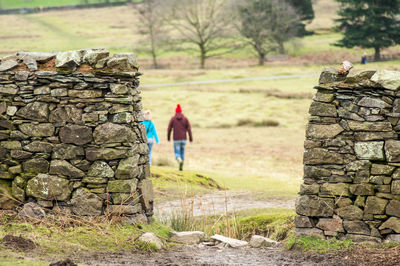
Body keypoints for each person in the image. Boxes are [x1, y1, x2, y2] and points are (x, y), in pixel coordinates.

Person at [167, 104, 193, 171]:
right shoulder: (185, 119)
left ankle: (179, 160)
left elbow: (169, 128)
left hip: (176, 139)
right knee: (182, 152)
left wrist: (168, 137)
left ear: (175, 112)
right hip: (184, 139)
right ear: (181, 112)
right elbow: (189, 129)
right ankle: (181, 165)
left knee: (177, 152)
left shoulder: (173, 119)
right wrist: (190, 138)